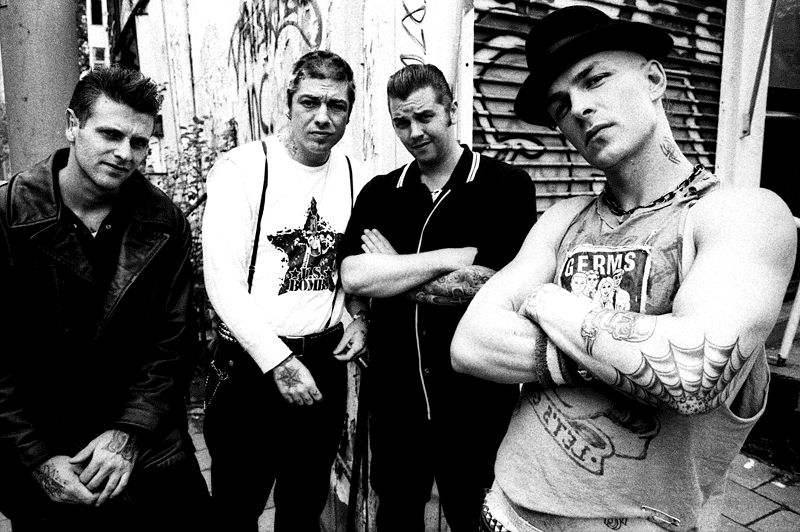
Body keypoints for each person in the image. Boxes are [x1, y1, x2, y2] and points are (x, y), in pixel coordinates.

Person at [451, 6, 797, 532]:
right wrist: (625, 351)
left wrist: (548, 303)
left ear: (654, 79)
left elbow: (691, 373)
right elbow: (470, 344)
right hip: (503, 510)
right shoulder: (564, 218)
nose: (580, 109)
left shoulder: (740, 213)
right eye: (561, 104)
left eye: (595, 80)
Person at [0, 66, 211, 532]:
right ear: (72, 125)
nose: (124, 153)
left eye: (139, 142)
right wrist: (36, 459)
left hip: (152, 457)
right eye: (110, 134)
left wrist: (129, 433)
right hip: (52, 466)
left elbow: (173, 343)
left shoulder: (164, 222)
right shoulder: (8, 216)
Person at [339, 63, 537, 531]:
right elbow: (353, 276)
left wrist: (393, 268)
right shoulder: (381, 193)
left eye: (425, 116)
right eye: (401, 122)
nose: (414, 132)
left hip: (475, 400)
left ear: (451, 110)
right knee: (397, 514)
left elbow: (494, 283)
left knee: (475, 515)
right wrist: (450, 257)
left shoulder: (505, 186)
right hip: (396, 399)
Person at [201, 50, 370, 532]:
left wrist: (362, 316)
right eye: (309, 102)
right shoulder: (243, 169)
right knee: (236, 507)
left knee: (303, 504)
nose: (323, 117)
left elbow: (361, 266)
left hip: (322, 362)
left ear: (349, 113)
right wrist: (278, 361)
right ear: (288, 102)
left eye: (336, 105)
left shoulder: (359, 176)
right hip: (251, 365)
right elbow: (222, 283)